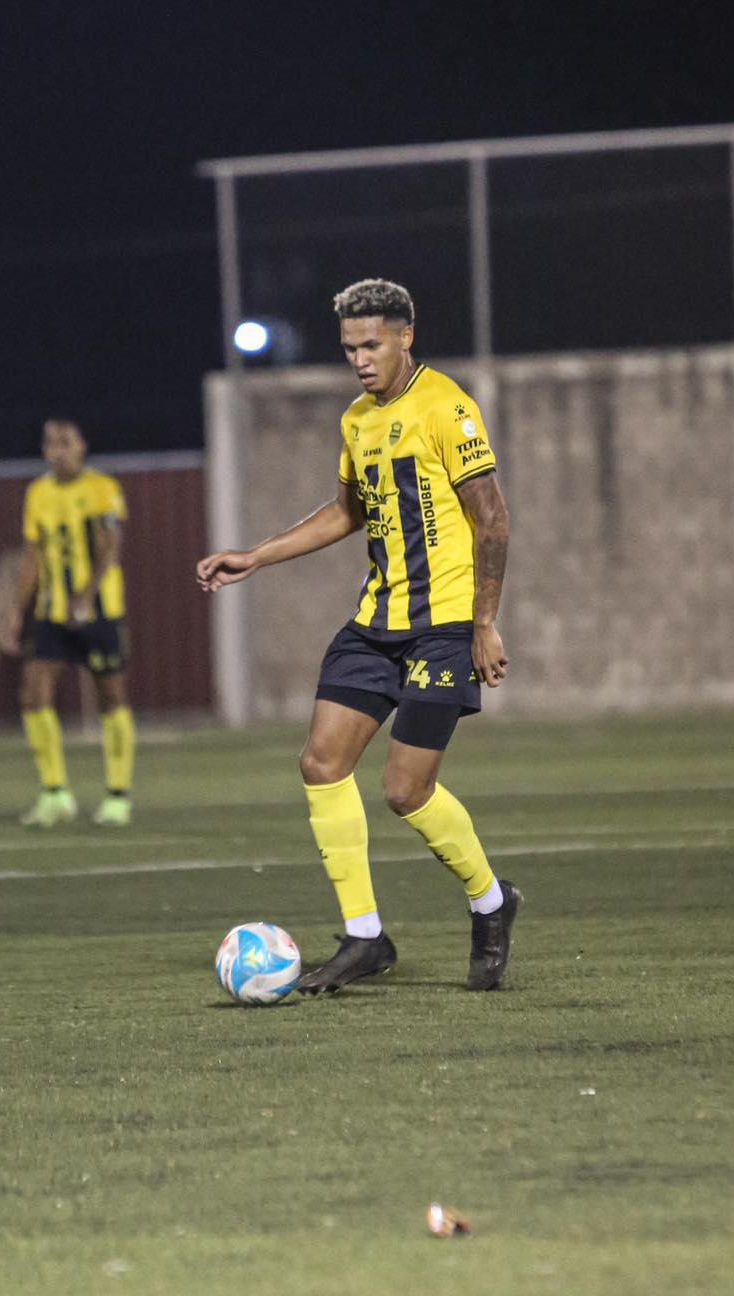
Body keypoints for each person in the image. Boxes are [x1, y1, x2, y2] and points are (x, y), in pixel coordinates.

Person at [197, 278, 521, 993]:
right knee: (321, 763)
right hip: (376, 625)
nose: (360, 360)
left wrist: (483, 623)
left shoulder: (448, 408)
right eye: (349, 348)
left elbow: (492, 518)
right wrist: (256, 555)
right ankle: (365, 936)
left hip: (443, 627)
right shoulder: (357, 421)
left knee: (406, 791)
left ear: (406, 336)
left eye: (371, 344)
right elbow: (347, 512)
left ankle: (491, 902)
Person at [0, 418, 137, 828]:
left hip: (101, 611)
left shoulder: (102, 489)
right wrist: (15, 612)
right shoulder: (38, 493)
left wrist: (87, 595)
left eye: (66, 442)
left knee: (111, 697)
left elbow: (110, 546)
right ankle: (54, 792)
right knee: (33, 694)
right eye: (51, 444)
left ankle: (118, 796)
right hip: (51, 613)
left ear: (82, 447)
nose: (58, 451)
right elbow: (33, 556)